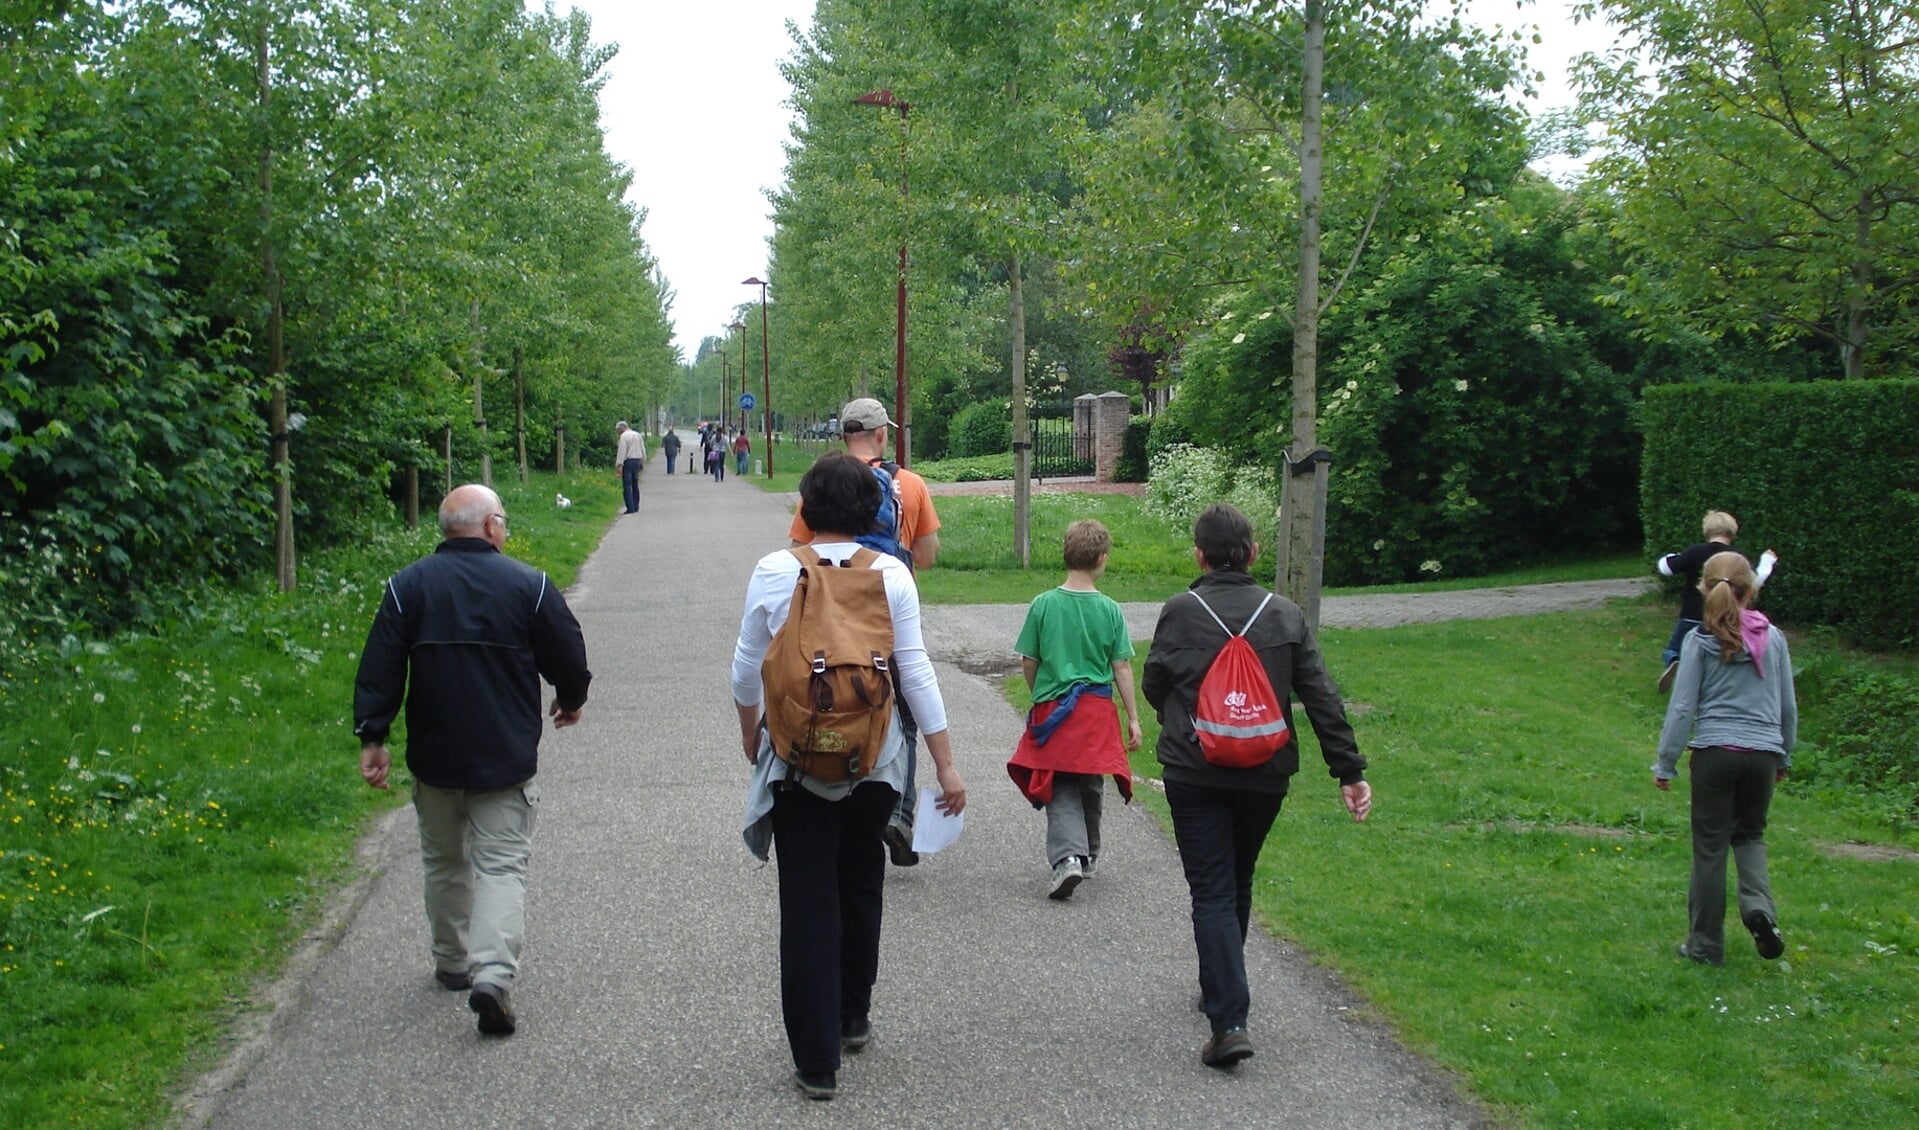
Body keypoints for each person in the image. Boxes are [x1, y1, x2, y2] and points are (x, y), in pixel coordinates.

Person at [733, 452, 967, 1101]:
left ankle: (816, 1061)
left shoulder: (774, 570)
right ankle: (853, 1014)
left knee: (806, 901)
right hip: (874, 761)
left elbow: (745, 665)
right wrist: (944, 763)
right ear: (873, 512)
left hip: (796, 759)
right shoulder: (892, 573)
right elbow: (914, 672)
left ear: (804, 511)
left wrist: (750, 730)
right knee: (861, 881)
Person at [353, 484, 591, 1037]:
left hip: (434, 755)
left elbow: (381, 666)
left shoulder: (406, 588)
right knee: (501, 867)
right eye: (502, 520)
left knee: (442, 861)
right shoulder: (527, 586)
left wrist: (374, 737)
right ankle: (493, 973)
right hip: (503, 755)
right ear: (490, 528)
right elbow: (567, 650)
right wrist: (571, 699)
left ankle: (452, 961)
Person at [1142, 503, 1371, 1069]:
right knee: (1237, 875)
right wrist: (1349, 770)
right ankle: (1222, 987)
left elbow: (1154, 682)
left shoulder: (1180, 611)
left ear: (1199, 554)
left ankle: (1228, 1021)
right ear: (1254, 553)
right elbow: (1320, 695)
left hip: (1195, 772)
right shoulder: (1285, 614)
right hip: (1265, 773)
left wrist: (1182, 718)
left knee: (1213, 888)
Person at [789, 397, 942, 866]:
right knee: (905, 715)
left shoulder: (821, 486)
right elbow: (929, 555)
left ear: (843, 436)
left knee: (830, 697)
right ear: (881, 435)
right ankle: (898, 811)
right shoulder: (909, 484)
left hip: (830, 619)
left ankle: (831, 787)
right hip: (891, 614)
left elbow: (798, 547)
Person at [1654, 551, 1796, 967]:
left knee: (1711, 848)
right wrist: (1783, 756)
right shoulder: (1776, 638)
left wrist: (1666, 762)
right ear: (1750, 589)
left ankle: (1704, 946)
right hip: (1764, 755)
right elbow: (1787, 707)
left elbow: (1682, 708)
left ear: (1704, 588)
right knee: (1750, 836)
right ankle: (1759, 910)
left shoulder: (1699, 641)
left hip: (1715, 754)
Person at [1007, 519, 1143, 900]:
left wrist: (1040, 695)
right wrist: (1132, 717)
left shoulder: (1044, 605)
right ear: (1102, 558)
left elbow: (1029, 660)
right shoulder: (1110, 609)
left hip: (1057, 709)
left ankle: (1068, 858)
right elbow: (1121, 667)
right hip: (1096, 711)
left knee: (1060, 782)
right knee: (1090, 780)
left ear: (1066, 554)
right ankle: (1089, 854)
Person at [1655, 510, 1777, 692]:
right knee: (1719, 649)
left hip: (1691, 614)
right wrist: (1767, 561)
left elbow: (1665, 568)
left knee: (1675, 648)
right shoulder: (1737, 557)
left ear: (1707, 530)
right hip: (1725, 616)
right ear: (1732, 531)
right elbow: (1755, 580)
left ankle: (1675, 660)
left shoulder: (1694, 551)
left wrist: (1674, 556)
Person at [615, 421, 646, 514]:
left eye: (618, 431)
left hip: (628, 462)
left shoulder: (623, 437)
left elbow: (622, 451)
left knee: (627, 485)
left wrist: (619, 464)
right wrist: (643, 460)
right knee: (635, 484)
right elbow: (642, 448)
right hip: (637, 460)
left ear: (622, 429)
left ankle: (630, 507)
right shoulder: (637, 435)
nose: (618, 433)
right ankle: (636, 506)